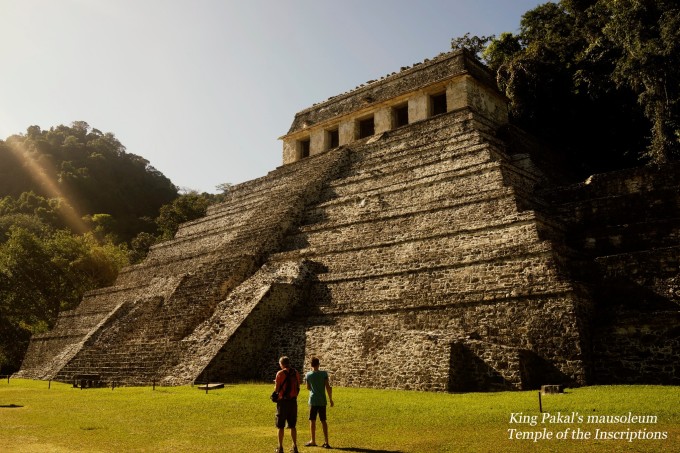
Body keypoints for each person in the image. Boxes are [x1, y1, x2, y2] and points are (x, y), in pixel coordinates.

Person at [304, 357, 334, 449]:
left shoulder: (308, 375)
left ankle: (313, 440)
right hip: (322, 400)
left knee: (312, 420)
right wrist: (330, 399)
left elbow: (308, 387)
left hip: (313, 400)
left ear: (311, 365)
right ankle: (326, 441)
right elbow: (328, 387)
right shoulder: (324, 374)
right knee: (323, 420)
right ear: (318, 364)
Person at [274, 356, 302, 453]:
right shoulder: (296, 373)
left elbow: (277, 389)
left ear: (281, 364)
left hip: (283, 402)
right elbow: (298, 386)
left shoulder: (280, 373)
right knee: (292, 425)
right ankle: (294, 446)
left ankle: (280, 447)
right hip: (293, 401)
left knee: (280, 425)